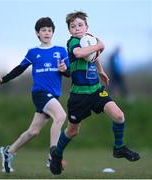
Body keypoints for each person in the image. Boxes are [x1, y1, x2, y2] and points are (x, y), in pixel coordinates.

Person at [49, 11, 140, 175]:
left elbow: (94, 56)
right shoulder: (73, 42)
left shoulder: (89, 40)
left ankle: (119, 148)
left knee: (119, 116)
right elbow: (80, 53)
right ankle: (57, 154)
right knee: (72, 131)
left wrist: (101, 72)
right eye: (73, 26)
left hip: (96, 90)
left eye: (80, 25)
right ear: (69, 30)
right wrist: (100, 44)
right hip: (79, 95)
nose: (77, 28)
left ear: (86, 27)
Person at [0, 17, 69, 173]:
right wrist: (3, 80)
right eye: (43, 30)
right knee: (61, 116)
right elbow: (19, 69)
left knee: (33, 132)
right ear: (37, 33)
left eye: (49, 30)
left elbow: (68, 73)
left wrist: (64, 70)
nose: (47, 32)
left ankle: (9, 152)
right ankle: (53, 156)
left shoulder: (61, 51)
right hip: (40, 93)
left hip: (54, 96)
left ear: (53, 32)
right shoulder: (33, 52)